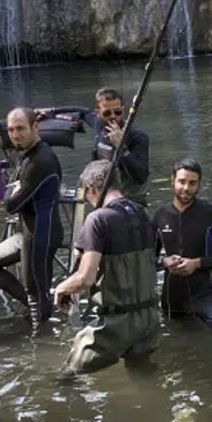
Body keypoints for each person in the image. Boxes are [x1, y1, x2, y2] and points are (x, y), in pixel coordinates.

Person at [55, 160, 160, 374]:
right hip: (149, 320)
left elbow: (86, 278)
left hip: (115, 324)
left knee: (67, 376)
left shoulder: (97, 220)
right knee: (142, 377)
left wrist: (62, 288)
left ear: (92, 189)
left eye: (87, 195)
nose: (88, 201)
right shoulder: (144, 214)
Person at [0, 107, 63, 326]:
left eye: (20, 128)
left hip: (42, 234)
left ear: (35, 127)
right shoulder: (26, 155)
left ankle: (40, 342)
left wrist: (12, 191)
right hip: (26, 232)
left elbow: (12, 205)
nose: (15, 134)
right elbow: (14, 195)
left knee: (35, 291)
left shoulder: (39, 161)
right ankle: (45, 310)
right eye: (11, 129)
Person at [153, 158, 212, 345]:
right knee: (179, 348)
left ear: (199, 184)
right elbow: (146, 259)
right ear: (172, 181)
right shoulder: (160, 216)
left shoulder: (210, 214)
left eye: (192, 183)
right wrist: (164, 262)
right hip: (172, 298)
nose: (186, 188)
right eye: (182, 181)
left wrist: (197, 263)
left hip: (206, 293)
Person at [41, 88, 150, 203]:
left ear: (123, 110)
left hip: (130, 201)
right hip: (102, 197)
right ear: (98, 113)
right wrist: (51, 112)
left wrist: (121, 147)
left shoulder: (137, 136)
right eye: (107, 113)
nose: (113, 117)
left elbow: (141, 176)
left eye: (117, 112)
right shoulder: (99, 125)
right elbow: (82, 112)